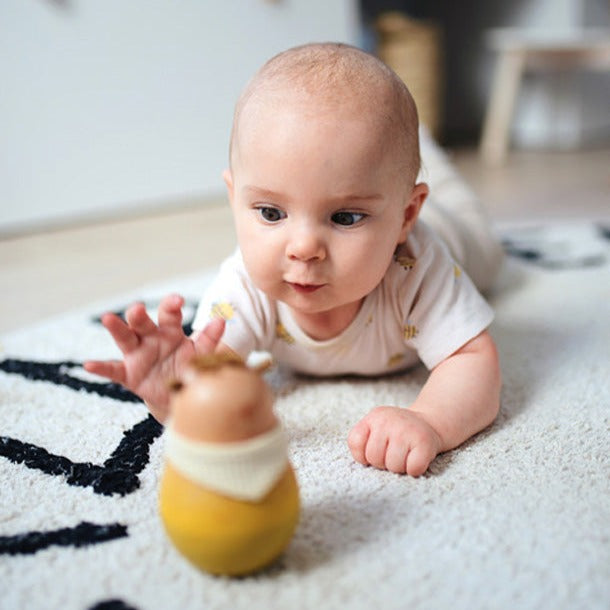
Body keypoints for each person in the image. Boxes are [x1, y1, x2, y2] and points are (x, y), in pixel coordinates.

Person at [85, 43, 503, 477]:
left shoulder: (418, 269)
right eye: (271, 213)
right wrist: (173, 392)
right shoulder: (243, 287)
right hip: (394, 199)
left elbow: (473, 361)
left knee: (489, 250)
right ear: (234, 199)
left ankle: (428, 154)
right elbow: (210, 386)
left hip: (458, 236)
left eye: (344, 216)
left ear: (406, 215)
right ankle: (413, 158)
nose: (303, 248)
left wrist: (430, 421)